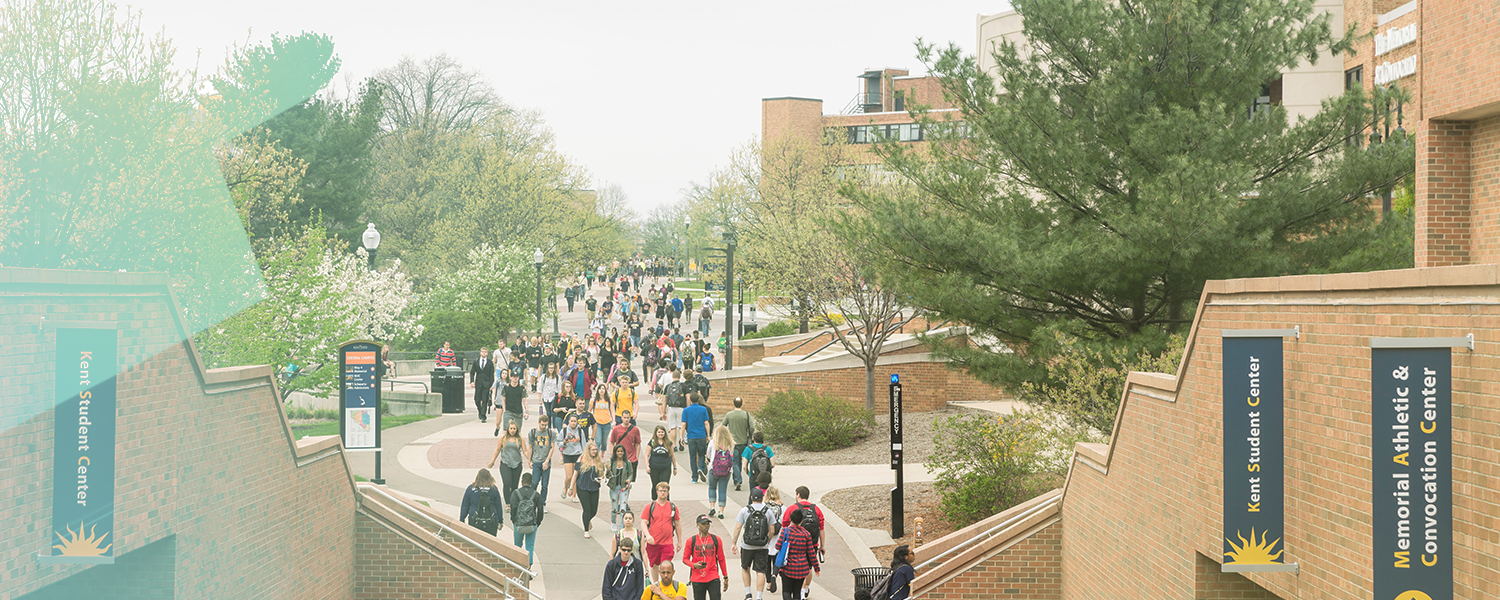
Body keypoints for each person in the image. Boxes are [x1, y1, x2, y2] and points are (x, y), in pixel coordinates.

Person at [730, 488, 781, 600]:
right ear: (763, 498)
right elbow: (772, 530)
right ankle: (759, 597)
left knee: (745, 568)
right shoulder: (768, 511)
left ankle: (748, 594)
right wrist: (766, 541)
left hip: (747, 545)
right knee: (760, 571)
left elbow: (738, 527)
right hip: (762, 546)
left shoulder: (745, 510)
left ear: (752, 498)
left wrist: (734, 542)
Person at [681, 514, 729, 600]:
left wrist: (725, 576)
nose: (706, 526)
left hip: (713, 577)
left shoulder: (716, 540)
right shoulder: (691, 541)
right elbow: (685, 559)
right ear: (697, 525)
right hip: (697, 579)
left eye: (708, 523)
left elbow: (721, 559)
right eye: (703, 524)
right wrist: (694, 565)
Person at [642, 482, 682, 581]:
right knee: (654, 565)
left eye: (665, 491)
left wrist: (679, 541)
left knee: (666, 566)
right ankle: (656, 584)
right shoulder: (649, 506)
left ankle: (665, 585)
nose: (663, 493)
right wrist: (647, 535)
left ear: (668, 493)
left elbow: (677, 524)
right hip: (653, 542)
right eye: (661, 491)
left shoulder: (673, 507)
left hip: (667, 542)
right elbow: (643, 522)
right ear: (657, 492)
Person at [775, 510, 818, 600]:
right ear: (802, 521)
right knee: (797, 592)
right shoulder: (806, 534)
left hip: (787, 567)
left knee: (786, 591)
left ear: (791, 519)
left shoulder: (785, 531)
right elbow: (811, 553)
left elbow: (777, 546)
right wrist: (816, 568)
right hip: (801, 568)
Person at [487, 419, 529, 510]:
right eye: (511, 428)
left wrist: (530, 460)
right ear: (508, 429)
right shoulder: (503, 438)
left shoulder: (520, 438)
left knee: (514, 485)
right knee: (507, 483)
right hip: (505, 463)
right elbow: (497, 450)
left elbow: (525, 451)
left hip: (517, 464)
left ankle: (514, 502)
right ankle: (508, 503)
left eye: (514, 428)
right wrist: (492, 461)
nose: (513, 430)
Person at [780, 486, 825, 558]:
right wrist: (822, 546)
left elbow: (784, 526)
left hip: (795, 544)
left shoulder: (791, 508)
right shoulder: (816, 509)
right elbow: (821, 529)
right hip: (812, 544)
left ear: (798, 495)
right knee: (809, 566)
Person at [510, 472, 544, 564]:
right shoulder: (536, 494)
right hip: (531, 524)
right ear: (531, 482)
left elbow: (513, 507)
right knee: (530, 546)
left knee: (517, 545)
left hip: (518, 523)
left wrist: (514, 520)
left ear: (522, 481)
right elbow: (540, 509)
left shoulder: (516, 493)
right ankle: (528, 568)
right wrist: (537, 522)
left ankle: (518, 565)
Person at [722, 398, 754, 491]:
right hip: (744, 442)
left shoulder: (729, 415)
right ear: (742, 404)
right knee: (742, 461)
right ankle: (737, 477)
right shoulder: (746, 415)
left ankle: (737, 480)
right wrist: (748, 434)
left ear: (733, 404)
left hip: (733, 442)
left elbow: (722, 426)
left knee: (735, 462)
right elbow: (752, 427)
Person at [573, 441, 604, 538]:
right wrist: (570, 488)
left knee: (594, 510)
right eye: (593, 450)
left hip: (594, 487)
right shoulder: (581, 459)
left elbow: (601, 474)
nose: (595, 451)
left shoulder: (598, 461)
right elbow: (575, 475)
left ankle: (588, 519)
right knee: (587, 509)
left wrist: (601, 478)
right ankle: (586, 530)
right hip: (582, 487)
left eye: (596, 450)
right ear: (588, 450)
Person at [460, 468, 504, 536]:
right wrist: (500, 521)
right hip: (491, 521)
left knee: (475, 543)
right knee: (491, 543)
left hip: (474, 521)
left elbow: (465, 506)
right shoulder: (494, 489)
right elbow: (498, 506)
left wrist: (462, 519)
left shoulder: (471, 489)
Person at [603, 536, 647, 600]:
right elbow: (606, 586)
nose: (626, 552)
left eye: (628, 550)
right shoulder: (611, 564)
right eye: (624, 550)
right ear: (619, 549)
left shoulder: (637, 564)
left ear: (632, 550)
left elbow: (640, 586)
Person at [528, 416, 556, 513]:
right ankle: (531, 502)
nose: (544, 426)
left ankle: (542, 503)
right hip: (536, 460)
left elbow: (552, 448)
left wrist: (547, 461)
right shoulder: (533, 433)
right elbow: (530, 447)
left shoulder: (550, 433)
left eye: (545, 425)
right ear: (538, 422)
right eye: (542, 424)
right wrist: (529, 460)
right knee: (534, 483)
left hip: (545, 461)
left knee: (544, 485)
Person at [706, 426, 735, 519]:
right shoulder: (731, 444)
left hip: (714, 469)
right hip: (726, 470)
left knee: (712, 488)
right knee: (722, 490)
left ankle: (712, 507)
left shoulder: (712, 443)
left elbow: (708, 454)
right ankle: (721, 512)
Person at [644, 425, 679, 501]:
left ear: (665, 433)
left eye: (662, 432)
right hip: (654, 467)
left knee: (664, 486)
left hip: (665, 467)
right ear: (656, 433)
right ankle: (654, 501)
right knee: (655, 485)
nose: (660, 434)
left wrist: (675, 467)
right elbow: (646, 455)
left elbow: (672, 455)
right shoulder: (652, 442)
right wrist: (647, 466)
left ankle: (666, 502)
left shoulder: (669, 443)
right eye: (659, 432)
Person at [682, 392, 711, 483]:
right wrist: (708, 435)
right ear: (698, 399)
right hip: (701, 435)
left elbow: (683, 424)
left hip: (691, 436)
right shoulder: (703, 409)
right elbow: (706, 423)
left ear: (690, 400)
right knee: (702, 454)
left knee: (692, 456)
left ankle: (694, 477)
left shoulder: (686, 410)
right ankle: (700, 468)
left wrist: (681, 437)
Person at [607, 444, 634, 532]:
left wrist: (628, 480)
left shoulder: (627, 462)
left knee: (623, 507)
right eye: (618, 451)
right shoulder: (612, 462)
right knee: (614, 507)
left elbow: (630, 473)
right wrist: (607, 470)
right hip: (614, 487)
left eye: (621, 451)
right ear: (615, 452)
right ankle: (613, 522)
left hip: (623, 488)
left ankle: (621, 525)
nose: (620, 453)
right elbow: (608, 476)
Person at [611, 410, 644, 482]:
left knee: (629, 481)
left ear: (630, 418)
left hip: (631, 459)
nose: (626, 419)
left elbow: (638, 444)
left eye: (628, 418)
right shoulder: (616, 429)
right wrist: (612, 455)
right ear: (621, 418)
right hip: (619, 458)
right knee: (619, 480)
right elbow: (612, 442)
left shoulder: (635, 429)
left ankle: (626, 493)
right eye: (624, 417)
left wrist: (637, 457)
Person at [560, 413, 586, 502]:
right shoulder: (564, 431)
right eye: (571, 421)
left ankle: (574, 495)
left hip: (577, 455)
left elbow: (583, 444)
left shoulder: (580, 431)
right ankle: (566, 488)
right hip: (567, 454)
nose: (573, 423)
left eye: (575, 421)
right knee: (569, 476)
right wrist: (563, 443)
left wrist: (584, 455)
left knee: (575, 476)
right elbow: (558, 442)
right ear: (569, 422)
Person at [470, 346, 496, 423]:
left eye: (485, 352)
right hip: (478, 383)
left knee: (485, 400)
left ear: (487, 353)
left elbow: (491, 374)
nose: (484, 353)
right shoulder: (476, 361)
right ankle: (480, 410)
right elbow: (472, 372)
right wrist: (472, 381)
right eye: (482, 351)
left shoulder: (490, 362)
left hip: (487, 383)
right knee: (477, 399)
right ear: (480, 353)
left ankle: (483, 415)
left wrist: (492, 385)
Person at [591, 385, 615, 453]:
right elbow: (589, 411)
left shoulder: (608, 400)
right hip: (597, 423)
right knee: (598, 441)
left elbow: (612, 411)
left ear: (605, 390)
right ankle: (597, 457)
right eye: (600, 389)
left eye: (603, 389)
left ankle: (602, 455)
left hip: (607, 423)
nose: (601, 390)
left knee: (604, 442)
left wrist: (613, 420)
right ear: (598, 390)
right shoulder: (594, 400)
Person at [539, 361, 562, 428]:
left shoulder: (557, 377)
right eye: (550, 368)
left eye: (552, 368)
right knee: (548, 413)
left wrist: (559, 398)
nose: (551, 369)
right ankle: (548, 427)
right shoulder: (543, 377)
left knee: (553, 413)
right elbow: (540, 388)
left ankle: (554, 427)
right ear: (547, 369)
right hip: (545, 397)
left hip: (554, 397)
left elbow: (560, 388)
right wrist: (539, 399)